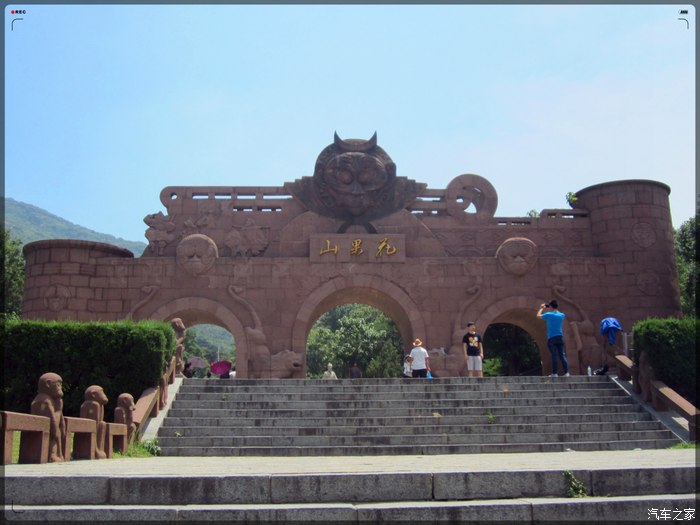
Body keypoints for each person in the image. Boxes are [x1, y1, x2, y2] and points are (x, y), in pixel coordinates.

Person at [537, 299, 569, 377]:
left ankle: (555, 373)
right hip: (559, 337)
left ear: (551, 307)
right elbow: (557, 312)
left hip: (551, 337)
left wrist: (542, 308)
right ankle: (567, 372)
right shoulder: (562, 315)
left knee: (554, 356)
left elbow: (538, 316)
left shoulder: (549, 314)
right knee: (562, 355)